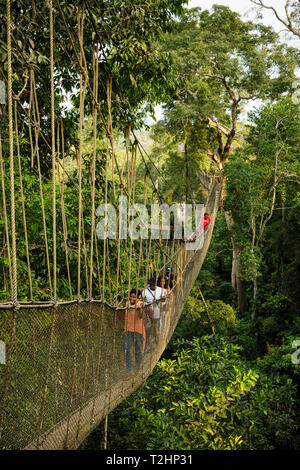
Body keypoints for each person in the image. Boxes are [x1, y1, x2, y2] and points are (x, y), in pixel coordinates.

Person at [123, 288, 145, 372]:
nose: (132, 299)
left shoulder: (141, 304)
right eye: (131, 297)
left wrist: (140, 309)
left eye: (134, 297)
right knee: (127, 349)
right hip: (128, 330)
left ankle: (138, 367)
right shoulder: (127, 303)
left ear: (138, 298)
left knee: (138, 350)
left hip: (138, 331)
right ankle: (128, 370)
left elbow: (141, 316)